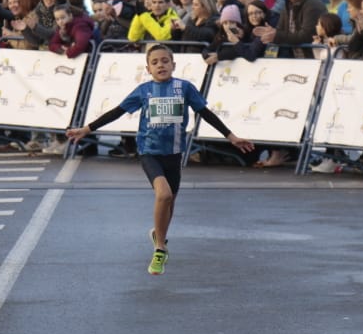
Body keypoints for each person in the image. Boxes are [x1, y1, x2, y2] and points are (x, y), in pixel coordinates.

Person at [66, 43, 253, 274]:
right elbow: (117, 112)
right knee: (163, 194)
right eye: (154, 62)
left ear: (173, 64)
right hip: (149, 152)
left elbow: (205, 113)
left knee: (169, 202)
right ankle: (160, 248)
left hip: (174, 154)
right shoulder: (144, 90)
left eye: (165, 61)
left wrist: (231, 136)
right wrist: (87, 129)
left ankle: (159, 234)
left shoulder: (184, 88)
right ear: (148, 69)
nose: (160, 65)